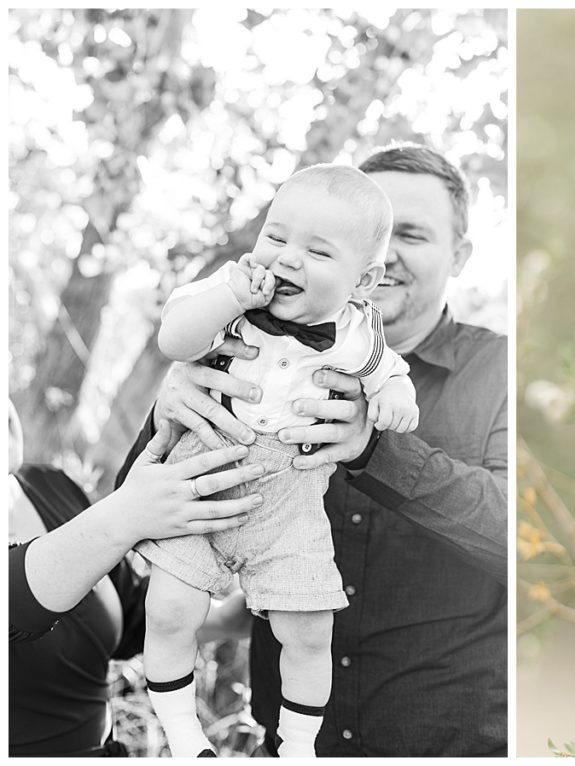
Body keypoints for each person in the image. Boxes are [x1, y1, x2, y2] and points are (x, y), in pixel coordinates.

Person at [117, 143, 508, 756]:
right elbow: (132, 504)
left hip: (444, 743)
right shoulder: (232, 331)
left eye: (413, 234)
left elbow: (529, 541)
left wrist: (373, 449)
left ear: (458, 255)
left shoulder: (504, 370)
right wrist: (172, 406)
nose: (394, 254)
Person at [136, 163, 418, 758]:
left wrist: (394, 397)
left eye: (317, 251)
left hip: (291, 501)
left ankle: (296, 745)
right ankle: (184, 736)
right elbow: (174, 340)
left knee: (311, 629)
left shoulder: (357, 332)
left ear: (364, 282)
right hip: (202, 481)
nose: (287, 259)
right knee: (168, 609)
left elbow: (390, 373)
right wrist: (226, 299)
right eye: (277, 236)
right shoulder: (230, 293)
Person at [8, 401, 258, 757]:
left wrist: (226, 619)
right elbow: (16, 604)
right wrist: (127, 514)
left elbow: (129, 614)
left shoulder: (48, 486)